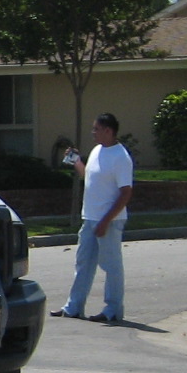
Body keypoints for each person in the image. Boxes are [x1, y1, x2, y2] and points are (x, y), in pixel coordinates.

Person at [52, 112, 132, 325]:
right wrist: (76, 161)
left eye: (96, 129)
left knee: (111, 266)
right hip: (90, 218)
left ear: (108, 131)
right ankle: (73, 307)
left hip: (109, 221)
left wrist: (106, 221)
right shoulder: (97, 151)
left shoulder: (121, 157)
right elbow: (88, 177)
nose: (93, 133)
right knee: (83, 263)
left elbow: (126, 193)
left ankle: (113, 310)